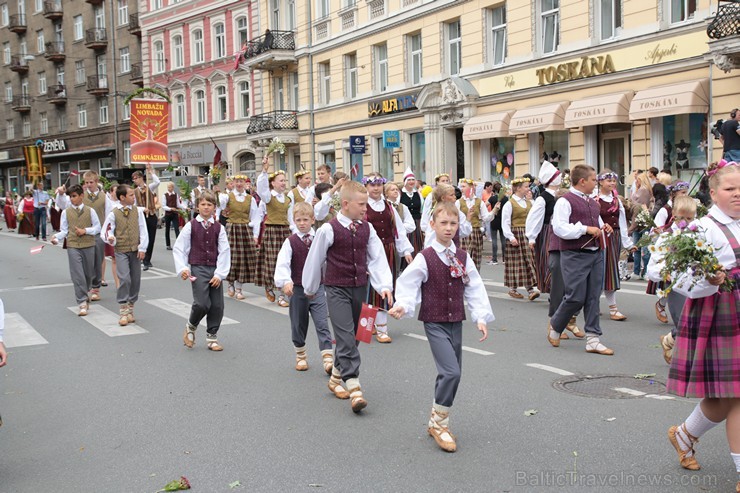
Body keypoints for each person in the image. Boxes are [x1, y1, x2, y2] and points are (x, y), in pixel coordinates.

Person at [389, 202, 493, 453]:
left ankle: (436, 419)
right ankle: (440, 424)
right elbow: (408, 282)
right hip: (434, 322)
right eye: (443, 223)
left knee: (452, 372)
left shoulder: (462, 257)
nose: (448, 228)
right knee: (451, 372)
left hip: (455, 321)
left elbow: (474, 286)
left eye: (453, 224)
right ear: (432, 225)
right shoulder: (425, 257)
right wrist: (403, 304)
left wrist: (480, 316)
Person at [665, 161, 739, 492]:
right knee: (736, 397)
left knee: (725, 397)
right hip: (721, 313)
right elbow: (679, 279)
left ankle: (684, 434)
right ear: (712, 193)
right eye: (730, 189)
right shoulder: (701, 229)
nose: (738, 195)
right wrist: (709, 279)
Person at [302, 180, 394, 413]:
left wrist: (384, 285)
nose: (365, 209)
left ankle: (335, 377)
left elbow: (376, 257)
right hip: (336, 288)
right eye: (361, 204)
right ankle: (354, 385)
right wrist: (310, 288)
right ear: (345, 204)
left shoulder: (367, 228)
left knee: (355, 336)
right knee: (343, 335)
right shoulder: (328, 229)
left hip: (359, 287)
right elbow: (315, 259)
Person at [547, 165, 615, 356]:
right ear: (582, 181)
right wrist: (584, 229)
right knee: (575, 296)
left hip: (596, 253)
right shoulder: (564, 201)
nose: (596, 183)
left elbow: (597, 223)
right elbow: (559, 228)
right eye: (594, 179)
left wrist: (604, 228)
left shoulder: (593, 202)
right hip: (574, 254)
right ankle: (556, 324)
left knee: (593, 296)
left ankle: (593, 339)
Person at [274, 202, 335, 373]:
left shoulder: (319, 239)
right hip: (298, 289)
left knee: (322, 323)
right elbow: (283, 263)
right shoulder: (290, 242)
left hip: (318, 288)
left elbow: (328, 261)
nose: (302, 223)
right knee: (298, 323)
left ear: (313, 220)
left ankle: (328, 359)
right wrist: (285, 281)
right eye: (298, 220)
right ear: (293, 221)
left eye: (305, 219)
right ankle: (300, 355)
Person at [174, 191, 231, 352]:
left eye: (210, 205)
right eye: (203, 204)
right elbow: (180, 248)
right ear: (198, 206)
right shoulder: (190, 226)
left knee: (217, 305)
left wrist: (220, 274)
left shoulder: (219, 227)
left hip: (214, 268)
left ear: (214, 208)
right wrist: (183, 268)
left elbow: (224, 251)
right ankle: (191, 326)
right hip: (198, 267)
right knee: (202, 303)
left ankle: (212, 337)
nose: (206, 207)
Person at [362, 173, 413, 343]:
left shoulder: (389, 207)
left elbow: (398, 229)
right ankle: (366, 327)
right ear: (366, 187)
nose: (376, 188)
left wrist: (405, 251)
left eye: (378, 185)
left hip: (388, 251)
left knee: (385, 288)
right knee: (369, 289)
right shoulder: (362, 207)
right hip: (369, 252)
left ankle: (382, 328)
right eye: (372, 185)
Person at [646, 195, 696, 364]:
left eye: (690, 218)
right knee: (685, 322)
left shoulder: (698, 233)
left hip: (696, 284)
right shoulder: (667, 237)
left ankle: (670, 340)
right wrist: (664, 272)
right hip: (676, 286)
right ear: (673, 215)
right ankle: (676, 348)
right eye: (682, 218)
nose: (686, 222)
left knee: (697, 321)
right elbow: (653, 267)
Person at [50, 185, 102, 316]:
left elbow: (97, 228)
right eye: (70, 196)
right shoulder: (66, 212)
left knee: (88, 274)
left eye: (74, 196)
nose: (72, 199)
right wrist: (56, 237)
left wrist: (86, 231)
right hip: (73, 245)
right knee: (77, 274)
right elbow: (64, 230)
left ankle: (86, 291)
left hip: (89, 244)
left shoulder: (90, 211)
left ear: (81, 196)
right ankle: (82, 302)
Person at [101, 185, 148, 327]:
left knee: (135, 280)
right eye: (131, 195)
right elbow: (106, 231)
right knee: (125, 278)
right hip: (120, 249)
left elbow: (143, 230)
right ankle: (123, 310)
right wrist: (111, 238)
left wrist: (142, 248)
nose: (134, 197)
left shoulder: (137, 212)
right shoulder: (113, 213)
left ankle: (131, 309)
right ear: (122, 197)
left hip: (135, 250)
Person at [257, 157, 296, 307]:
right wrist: (265, 170)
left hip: (285, 231)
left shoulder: (287, 200)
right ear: (273, 183)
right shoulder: (268, 197)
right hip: (272, 230)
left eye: (285, 181)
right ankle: (269, 285)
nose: (283, 183)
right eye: (281, 181)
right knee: (272, 261)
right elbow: (261, 189)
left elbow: (291, 218)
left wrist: (293, 232)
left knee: (286, 261)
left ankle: (282, 295)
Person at [596, 170, 635, 321]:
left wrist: (628, 243)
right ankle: (598, 305)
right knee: (601, 271)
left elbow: (622, 223)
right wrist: (602, 228)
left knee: (611, 272)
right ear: (600, 182)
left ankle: (611, 308)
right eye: (608, 180)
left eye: (613, 181)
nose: (612, 183)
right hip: (601, 238)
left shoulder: (617, 201)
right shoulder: (595, 200)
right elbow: (594, 219)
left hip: (615, 238)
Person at [648, 181, 690, 323]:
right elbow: (653, 231)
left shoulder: (690, 206)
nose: (686, 195)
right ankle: (662, 305)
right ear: (673, 194)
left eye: (686, 192)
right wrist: (661, 231)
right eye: (682, 192)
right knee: (671, 283)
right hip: (668, 249)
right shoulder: (665, 210)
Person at [218, 174, 261, 300]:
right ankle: (230, 283)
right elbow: (220, 205)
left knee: (243, 259)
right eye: (237, 181)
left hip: (245, 229)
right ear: (233, 183)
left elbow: (255, 217)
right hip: (232, 229)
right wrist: (217, 192)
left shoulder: (250, 198)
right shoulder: (228, 196)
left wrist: (255, 235)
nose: (239, 184)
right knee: (231, 257)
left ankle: (239, 288)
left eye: (241, 181)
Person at [525, 161, 561, 295]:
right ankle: (553, 290)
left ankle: (557, 290)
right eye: (557, 175)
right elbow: (534, 218)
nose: (560, 177)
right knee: (549, 262)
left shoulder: (560, 195)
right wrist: (532, 237)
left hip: (559, 232)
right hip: (548, 233)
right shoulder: (543, 198)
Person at [501, 177, 539, 301]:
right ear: (518, 188)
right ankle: (513, 288)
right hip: (516, 234)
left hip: (527, 234)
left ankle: (530, 289)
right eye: (526, 186)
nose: (528, 189)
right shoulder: (509, 203)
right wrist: (511, 237)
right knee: (516, 263)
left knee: (529, 261)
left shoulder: (529, 202)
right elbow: (505, 222)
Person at [421, 184, 472, 248]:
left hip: (453, 248)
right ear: (443, 198)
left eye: (454, 194)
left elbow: (462, 232)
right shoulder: (437, 214)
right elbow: (430, 237)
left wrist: (468, 219)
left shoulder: (457, 212)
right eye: (451, 195)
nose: (455, 197)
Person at [458, 178, 493, 270]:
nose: (462, 188)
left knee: (476, 259)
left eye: (464, 186)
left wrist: (494, 210)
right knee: (463, 259)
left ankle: (475, 279)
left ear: (471, 187)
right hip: (464, 233)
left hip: (476, 232)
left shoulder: (479, 202)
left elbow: (486, 218)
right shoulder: (459, 202)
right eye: (461, 186)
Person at [131, 164, 160, 271]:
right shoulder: (134, 192)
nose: (135, 181)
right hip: (141, 217)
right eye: (133, 179)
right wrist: (142, 209)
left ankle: (147, 260)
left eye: (136, 178)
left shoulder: (150, 187)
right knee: (142, 237)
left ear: (141, 178)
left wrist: (151, 172)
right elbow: (134, 206)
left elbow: (157, 182)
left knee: (151, 238)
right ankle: (142, 256)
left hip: (151, 215)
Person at [399, 168, 424, 259]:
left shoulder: (418, 194)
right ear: (405, 181)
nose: (411, 181)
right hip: (405, 223)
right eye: (409, 180)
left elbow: (422, 208)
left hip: (417, 222)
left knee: (418, 243)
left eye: (413, 179)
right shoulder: (400, 194)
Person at [488, 183, 506, 265]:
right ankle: (504, 258)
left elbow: (485, 205)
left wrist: (490, 212)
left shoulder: (492, 198)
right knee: (503, 240)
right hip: (503, 221)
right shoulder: (506, 198)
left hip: (494, 220)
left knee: (494, 240)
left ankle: (494, 259)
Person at [162, 182, 183, 251]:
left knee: (177, 229)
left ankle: (178, 244)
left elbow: (178, 204)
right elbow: (163, 206)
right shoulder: (165, 195)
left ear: (173, 187)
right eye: (168, 187)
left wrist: (185, 207)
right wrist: (170, 208)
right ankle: (168, 245)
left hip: (174, 214)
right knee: (167, 229)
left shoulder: (176, 195)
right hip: (168, 214)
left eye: (170, 187)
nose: (169, 188)